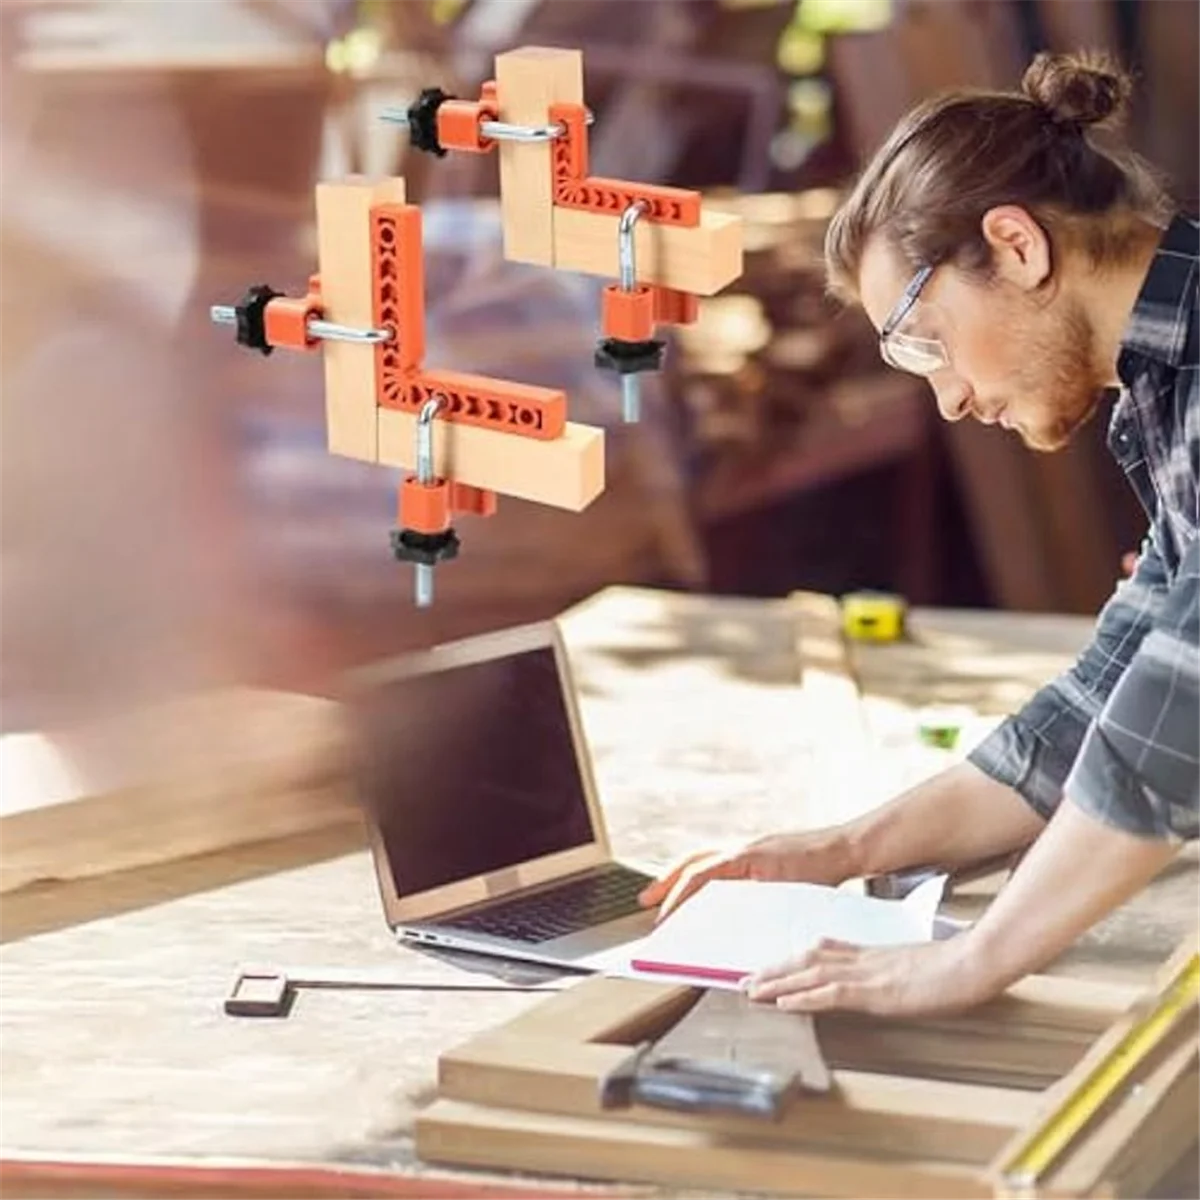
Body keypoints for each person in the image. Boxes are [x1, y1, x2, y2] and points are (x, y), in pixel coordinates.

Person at [637, 50, 1199, 1017]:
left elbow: (1171, 733)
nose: (948, 399)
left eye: (925, 341)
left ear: (1017, 246)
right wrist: (846, 850)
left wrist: (967, 962)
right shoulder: (1163, 391)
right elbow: (1105, 704)